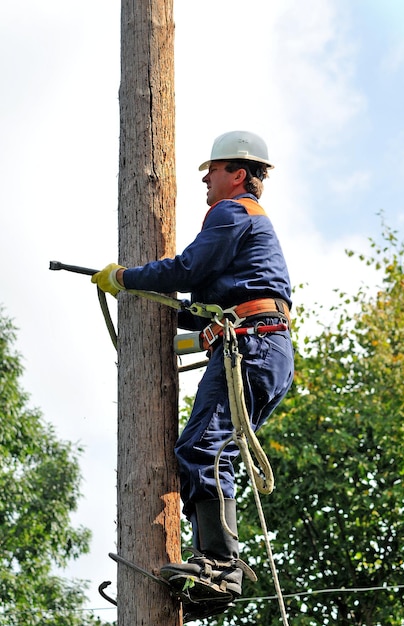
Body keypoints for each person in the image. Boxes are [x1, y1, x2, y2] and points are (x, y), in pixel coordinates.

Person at [92, 130, 294, 615]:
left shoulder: (232, 212)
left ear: (238, 174)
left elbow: (186, 268)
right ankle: (214, 570)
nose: (206, 176)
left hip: (251, 345)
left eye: (214, 168)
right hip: (257, 344)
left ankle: (220, 566)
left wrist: (126, 278)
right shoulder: (248, 225)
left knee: (205, 447)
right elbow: (202, 301)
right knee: (208, 449)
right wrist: (156, 299)